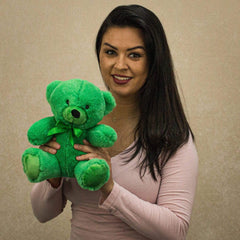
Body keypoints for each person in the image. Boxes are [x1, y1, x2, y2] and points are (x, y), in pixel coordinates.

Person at [31, 4, 198, 240]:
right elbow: (42, 213)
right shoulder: (76, 122)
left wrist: (109, 187)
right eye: (110, 52)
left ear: (153, 61)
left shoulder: (174, 138)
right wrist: (53, 177)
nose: (119, 65)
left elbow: (175, 231)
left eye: (134, 55)